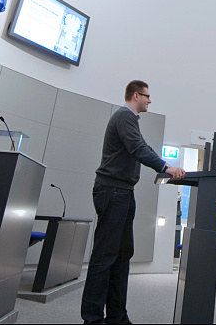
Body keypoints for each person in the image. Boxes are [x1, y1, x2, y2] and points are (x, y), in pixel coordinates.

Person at [81, 81, 184, 325]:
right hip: (112, 191)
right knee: (104, 257)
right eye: (147, 96)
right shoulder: (124, 116)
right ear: (136, 95)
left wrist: (164, 165)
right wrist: (164, 166)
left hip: (124, 192)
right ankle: (93, 319)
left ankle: (117, 316)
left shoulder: (131, 120)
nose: (149, 101)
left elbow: (143, 146)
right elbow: (137, 148)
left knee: (121, 257)